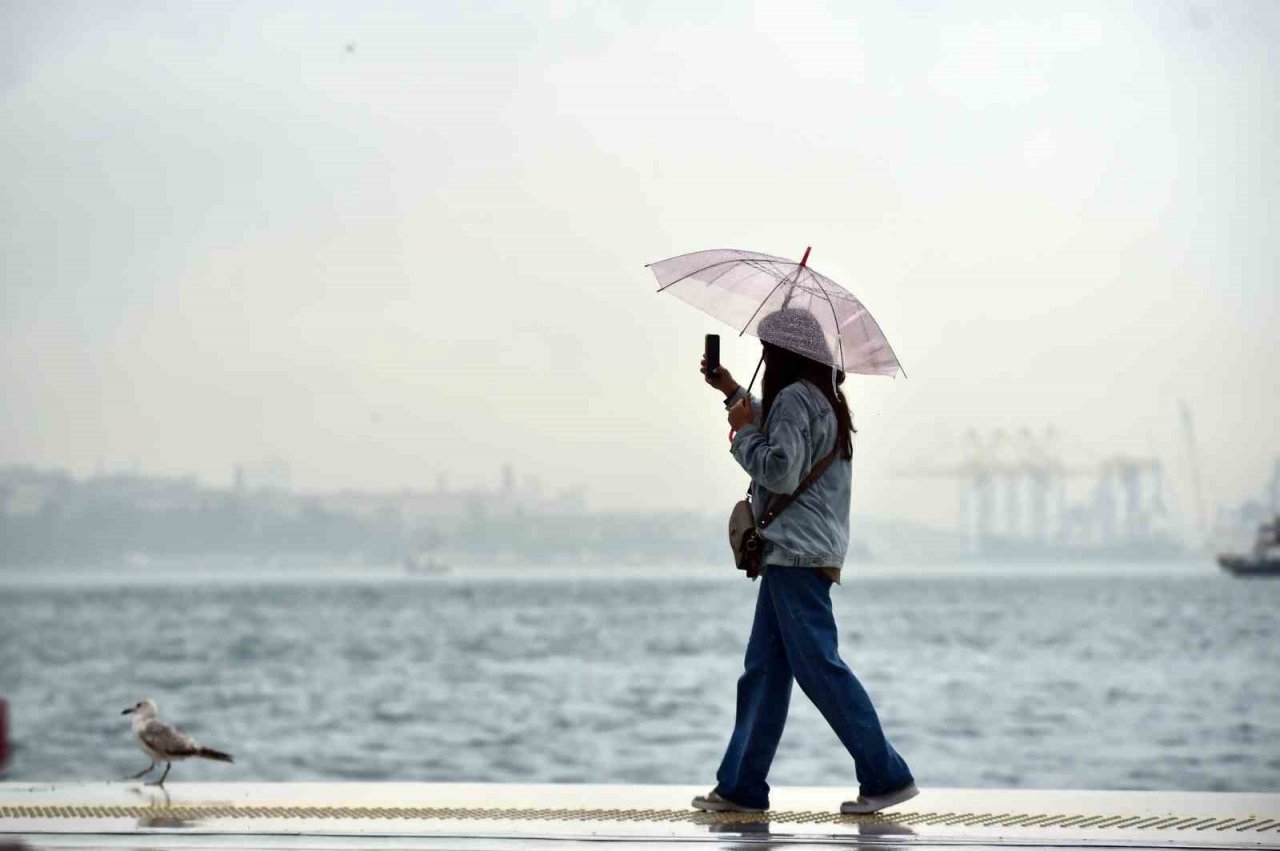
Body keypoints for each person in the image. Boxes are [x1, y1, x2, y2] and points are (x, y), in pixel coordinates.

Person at [692, 308, 917, 815]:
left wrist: (743, 434)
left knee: (818, 668)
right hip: (798, 549)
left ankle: (886, 775)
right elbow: (777, 433)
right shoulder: (821, 399)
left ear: (782, 352)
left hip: (795, 552)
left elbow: (779, 468)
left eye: (766, 348)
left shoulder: (795, 398)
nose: (762, 356)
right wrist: (730, 391)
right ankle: (741, 787)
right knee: (765, 673)